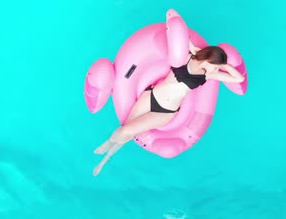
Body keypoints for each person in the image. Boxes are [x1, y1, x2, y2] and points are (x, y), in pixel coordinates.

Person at [92, 40, 245, 176]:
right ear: (208, 59)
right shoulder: (186, 56)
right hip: (151, 96)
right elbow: (175, 31)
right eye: (215, 66)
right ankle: (108, 147)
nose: (216, 70)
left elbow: (239, 78)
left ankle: (106, 158)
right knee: (126, 129)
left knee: (127, 131)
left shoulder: (207, 76)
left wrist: (225, 65)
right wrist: (195, 50)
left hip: (165, 112)